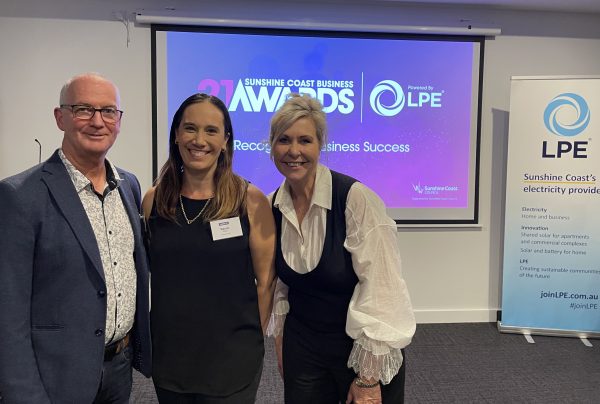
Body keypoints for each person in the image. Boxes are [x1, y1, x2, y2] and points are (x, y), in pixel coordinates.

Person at [0, 73, 151, 403]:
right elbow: (7, 311)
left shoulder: (129, 185)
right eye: (84, 109)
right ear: (60, 117)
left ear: (119, 120)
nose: (98, 121)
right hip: (56, 373)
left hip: (119, 369)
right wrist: (22, 393)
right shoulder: (20, 195)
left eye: (108, 111)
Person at [266, 93, 416, 404]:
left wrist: (367, 378)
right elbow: (280, 288)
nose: (294, 151)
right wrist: (283, 347)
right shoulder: (273, 205)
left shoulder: (356, 200)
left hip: (357, 348)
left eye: (305, 140)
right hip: (304, 346)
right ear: (272, 147)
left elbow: (383, 292)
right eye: (284, 140)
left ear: (320, 145)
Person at [143, 93, 276, 403]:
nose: (199, 140)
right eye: (190, 128)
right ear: (176, 135)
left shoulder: (250, 200)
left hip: (232, 359)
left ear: (226, 140)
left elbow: (266, 282)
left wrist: (247, 340)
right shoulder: (154, 200)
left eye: (211, 130)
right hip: (172, 357)